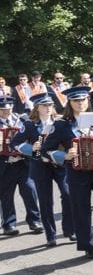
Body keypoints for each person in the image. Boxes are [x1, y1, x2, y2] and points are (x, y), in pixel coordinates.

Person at [42, 85, 93, 259]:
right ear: (70, 102)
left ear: (88, 100)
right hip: (77, 172)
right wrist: (65, 155)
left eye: (83, 99)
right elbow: (46, 149)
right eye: (76, 100)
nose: (80, 103)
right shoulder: (61, 124)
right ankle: (87, 246)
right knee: (82, 210)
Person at [11, 93, 68, 246]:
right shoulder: (30, 124)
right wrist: (31, 149)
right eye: (44, 105)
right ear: (37, 108)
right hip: (40, 165)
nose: (48, 108)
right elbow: (15, 143)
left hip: (60, 164)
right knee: (45, 201)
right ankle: (51, 235)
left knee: (68, 194)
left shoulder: (60, 122)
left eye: (50, 105)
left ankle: (69, 228)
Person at [0, 97, 42, 236]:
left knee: (30, 190)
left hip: (24, 162)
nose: (6, 112)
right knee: (6, 195)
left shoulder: (22, 119)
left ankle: (35, 221)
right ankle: (8, 224)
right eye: (2, 109)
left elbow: (35, 134)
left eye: (8, 109)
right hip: (5, 164)